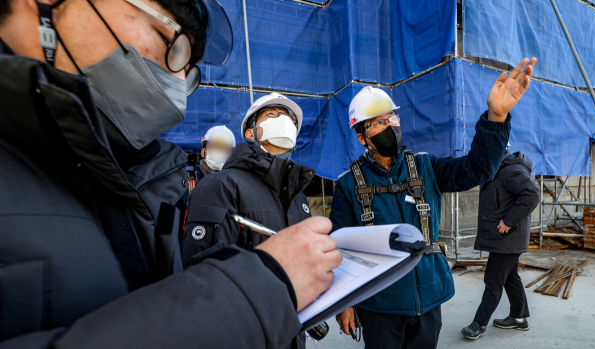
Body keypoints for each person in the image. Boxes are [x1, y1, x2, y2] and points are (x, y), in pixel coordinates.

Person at [0, 0, 341, 347]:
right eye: (170, 40)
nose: (176, 82)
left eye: (189, 71)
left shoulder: (139, 182)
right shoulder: (217, 184)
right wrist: (263, 287)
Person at [330, 57, 537, 349]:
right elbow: (341, 250)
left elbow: (478, 169)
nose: (389, 125)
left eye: (391, 118)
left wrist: (496, 117)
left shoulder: (426, 168)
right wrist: (344, 303)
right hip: (380, 305)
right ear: (362, 137)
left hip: (428, 299)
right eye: (378, 123)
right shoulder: (348, 185)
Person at [181, 92, 314, 348]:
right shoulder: (221, 186)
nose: (284, 121)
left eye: (289, 118)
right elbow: (205, 279)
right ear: (251, 132)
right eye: (273, 114)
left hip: (291, 329)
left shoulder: (298, 196)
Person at [461, 143, 540, 340]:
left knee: (493, 281)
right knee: (510, 278)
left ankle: (478, 324)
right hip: (506, 238)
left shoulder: (511, 171)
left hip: (508, 238)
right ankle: (519, 318)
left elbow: (532, 194)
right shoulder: (498, 170)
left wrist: (508, 221)